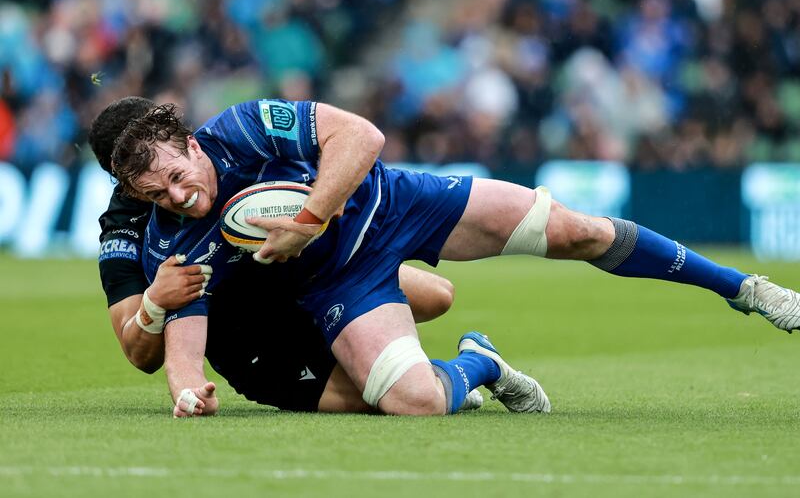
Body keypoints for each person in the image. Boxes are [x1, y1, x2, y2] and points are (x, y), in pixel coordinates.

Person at [113, 97, 798, 418]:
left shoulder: (241, 127)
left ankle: (746, 288)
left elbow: (361, 136)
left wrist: (308, 219)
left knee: (577, 231)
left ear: (192, 146)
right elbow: (184, 338)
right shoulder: (172, 239)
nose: (178, 196)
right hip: (341, 283)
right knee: (415, 402)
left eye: (177, 175)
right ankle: (482, 362)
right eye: (156, 194)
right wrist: (186, 391)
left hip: (397, 203)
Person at [90, 97, 483, 416]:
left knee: (437, 296)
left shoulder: (216, 152)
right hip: (246, 333)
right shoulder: (124, 227)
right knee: (383, 399)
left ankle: (405, 360)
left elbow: (333, 146)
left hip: (294, 272)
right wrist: (154, 303)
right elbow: (139, 354)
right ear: (122, 177)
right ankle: (466, 370)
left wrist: (321, 200)